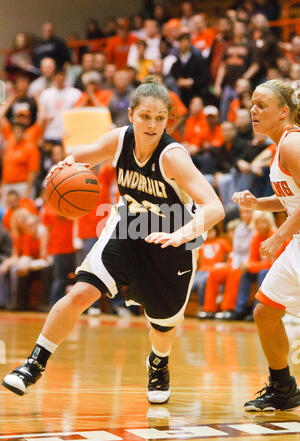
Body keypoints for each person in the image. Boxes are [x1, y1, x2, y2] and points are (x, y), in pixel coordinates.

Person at [2, 76, 224, 403]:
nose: (152, 124)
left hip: (173, 239)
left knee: (162, 327)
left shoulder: (173, 156)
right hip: (128, 229)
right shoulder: (120, 140)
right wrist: (65, 166)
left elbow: (215, 207)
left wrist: (182, 234)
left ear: (168, 121)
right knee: (81, 292)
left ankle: (159, 364)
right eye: (145, 116)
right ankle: (34, 364)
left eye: (160, 118)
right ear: (132, 114)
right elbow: (83, 155)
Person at [231, 78, 300, 411]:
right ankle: (283, 387)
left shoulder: (292, 144)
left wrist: (279, 234)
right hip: (298, 240)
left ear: (284, 111)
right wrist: (259, 203)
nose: (253, 110)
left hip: (295, 239)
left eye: (261, 105)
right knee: (265, 312)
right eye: (251, 104)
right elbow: (292, 198)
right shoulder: (281, 145)